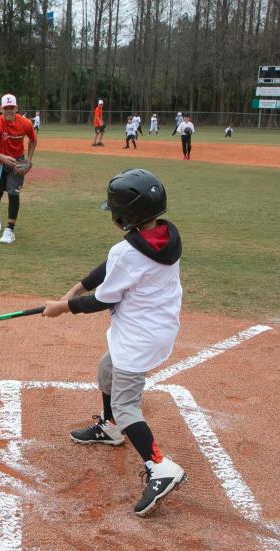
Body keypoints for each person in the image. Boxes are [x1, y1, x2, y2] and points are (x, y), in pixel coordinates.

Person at [42, 168, 186, 517]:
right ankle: (109, 429)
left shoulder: (127, 253)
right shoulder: (164, 235)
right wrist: (76, 286)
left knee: (126, 405)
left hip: (139, 335)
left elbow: (103, 300)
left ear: (125, 216)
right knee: (107, 368)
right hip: (156, 325)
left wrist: (64, 307)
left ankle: (160, 466)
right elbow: (111, 264)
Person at [0, 93, 37, 244]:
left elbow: (33, 140)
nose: (9, 110)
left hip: (17, 162)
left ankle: (9, 230)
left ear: (16, 108)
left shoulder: (25, 123)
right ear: (1, 109)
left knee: (14, 193)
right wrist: (3, 158)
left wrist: (29, 159)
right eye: (6, 108)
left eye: (11, 108)